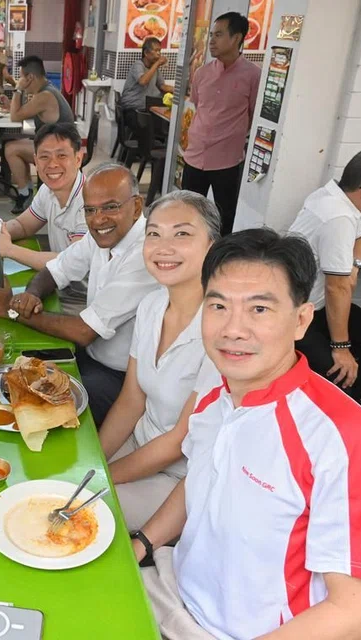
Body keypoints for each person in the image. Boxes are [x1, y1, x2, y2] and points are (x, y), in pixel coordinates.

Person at [132, 228, 361, 640]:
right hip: (173, 589)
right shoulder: (216, 397)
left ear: (301, 320)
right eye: (218, 306)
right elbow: (203, 479)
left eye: (259, 309)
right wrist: (142, 544)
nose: (233, 329)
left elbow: (359, 613)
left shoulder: (340, 438)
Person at [0, 164, 159, 426]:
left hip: (121, 380)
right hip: (89, 355)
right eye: (90, 210)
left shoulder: (144, 254)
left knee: (32, 409)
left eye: (110, 207)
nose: (98, 219)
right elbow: (56, 269)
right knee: (6, 379)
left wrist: (11, 309)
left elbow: (84, 331)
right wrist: (30, 295)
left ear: (137, 206)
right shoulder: (103, 235)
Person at [99, 191, 220, 530]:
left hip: (180, 478)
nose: (163, 247)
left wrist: (102, 477)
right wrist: (95, 461)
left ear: (211, 246)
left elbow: (178, 441)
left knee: (78, 513)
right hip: (137, 445)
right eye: (154, 234)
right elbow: (131, 400)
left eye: (182, 234)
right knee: (56, 480)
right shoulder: (152, 305)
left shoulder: (220, 329)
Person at [290, 147, 361, 403]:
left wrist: (354, 265)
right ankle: (339, 406)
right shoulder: (338, 218)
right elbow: (337, 288)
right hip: (295, 316)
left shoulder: (332, 196)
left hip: (315, 306)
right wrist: (341, 348)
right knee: (340, 373)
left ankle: (348, 406)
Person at [0, 122, 88, 305]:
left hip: (82, 299)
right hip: (57, 286)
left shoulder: (90, 202)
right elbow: (23, 225)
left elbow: (67, 262)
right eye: (44, 157)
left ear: (78, 159)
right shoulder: (48, 190)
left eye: (61, 155)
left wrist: (8, 249)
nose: (52, 164)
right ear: (36, 161)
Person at [181, 12, 261, 236]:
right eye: (211, 35)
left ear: (236, 38)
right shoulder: (202, 73)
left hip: (227, 161)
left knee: (225, 218)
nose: (212, 41)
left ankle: (221, 254)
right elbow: (199, 106)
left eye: (218, 35)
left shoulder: (253, 76)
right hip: (195, 156)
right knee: (188, 213)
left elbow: (253, 114)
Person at [6, 56, 75, 214]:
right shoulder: (48, 90)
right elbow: (21, 112)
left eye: (21, 77)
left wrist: (18, 89)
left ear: (30, 77)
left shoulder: (45, 96)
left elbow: (15, 116)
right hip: (59, 145)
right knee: (14, 145)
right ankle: (28, 192)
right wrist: (9, 104)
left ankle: (25, 195)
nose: (20, 80)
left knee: (11, 149)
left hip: (60, 151)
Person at [120, 37, 170, 113]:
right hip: (133, 108)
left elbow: (162, 86)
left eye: (159, 51)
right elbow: (143, 81)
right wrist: (157, 63)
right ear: (146, 53)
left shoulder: (154, 68)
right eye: (156, 50)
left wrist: (178, 91)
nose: (159, 53)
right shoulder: (138, 65)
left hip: (147, 106)